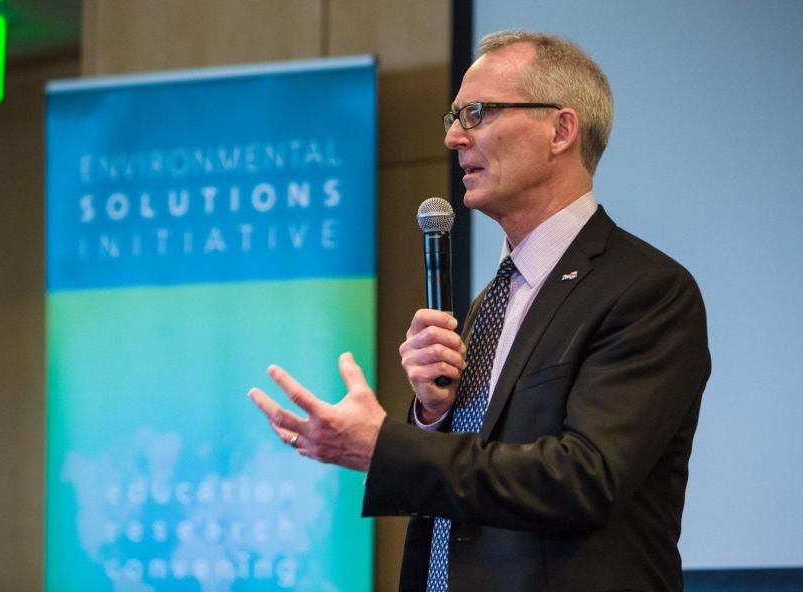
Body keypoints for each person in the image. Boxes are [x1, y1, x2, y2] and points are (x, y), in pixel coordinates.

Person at [249, 30, 710, 592]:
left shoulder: (645, 289)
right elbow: (477, 467)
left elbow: (583, 479)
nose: (451, 137)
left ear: (560, 130)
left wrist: (387, 447)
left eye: (477, 113)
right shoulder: (490, 303)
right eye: (455, 116)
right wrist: (432, 414)